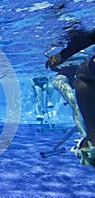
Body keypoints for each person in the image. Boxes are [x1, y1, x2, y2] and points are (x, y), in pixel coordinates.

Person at [46, 29, 95, 164]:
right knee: (76, 105)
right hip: (61, 80)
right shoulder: (81, 52)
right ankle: (85, 135)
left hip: (74, 79)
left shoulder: (83, 51)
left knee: (80, 101)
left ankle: (89, 137)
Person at [52, 65, 87, 138]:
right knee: (75, 107)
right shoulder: (77, 62)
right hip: (60, 80)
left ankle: (84, 129)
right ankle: (83, 134)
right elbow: (53, 66)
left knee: (79, 106)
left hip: (67, 81)